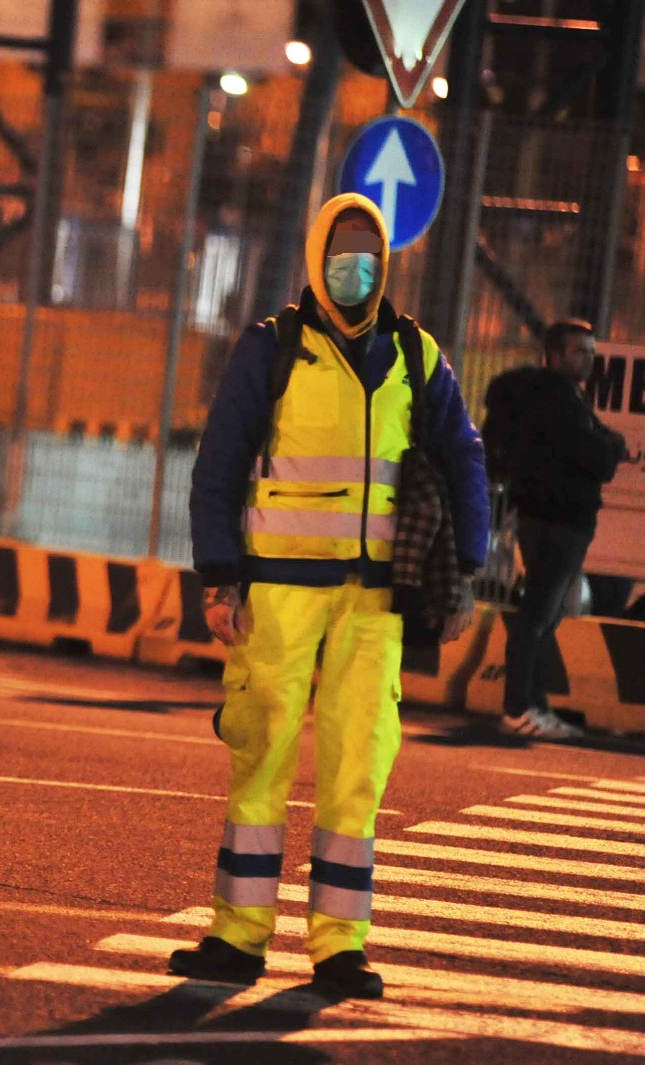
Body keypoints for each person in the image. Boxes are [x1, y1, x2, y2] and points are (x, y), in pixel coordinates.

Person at [178, 194, 489, 998]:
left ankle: (339, 946)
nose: (356, 270)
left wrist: (471, 566)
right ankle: (237, 937)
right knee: (261, 758)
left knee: (360, 770)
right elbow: (218, 465)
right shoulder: (271, 348)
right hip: (277, 592)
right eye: (342, 256)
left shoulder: (416, 355)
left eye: (370, 258)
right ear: (316, 260)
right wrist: (219, 575)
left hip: (377, 601)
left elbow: (464, 459)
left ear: (386, 265)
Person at [482, 319, 627, 739]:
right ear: (556, 353)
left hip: (548, 518)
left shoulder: (561, 398)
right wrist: (610, 448)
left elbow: (601, 448)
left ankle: (534, 705)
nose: (589, 360)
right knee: (538, 616)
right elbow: (599, 458)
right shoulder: (556, 400)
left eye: (592, 352)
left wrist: (607, 446)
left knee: (545, 616)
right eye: (580, 351)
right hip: (558, 521)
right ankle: (519, 706)